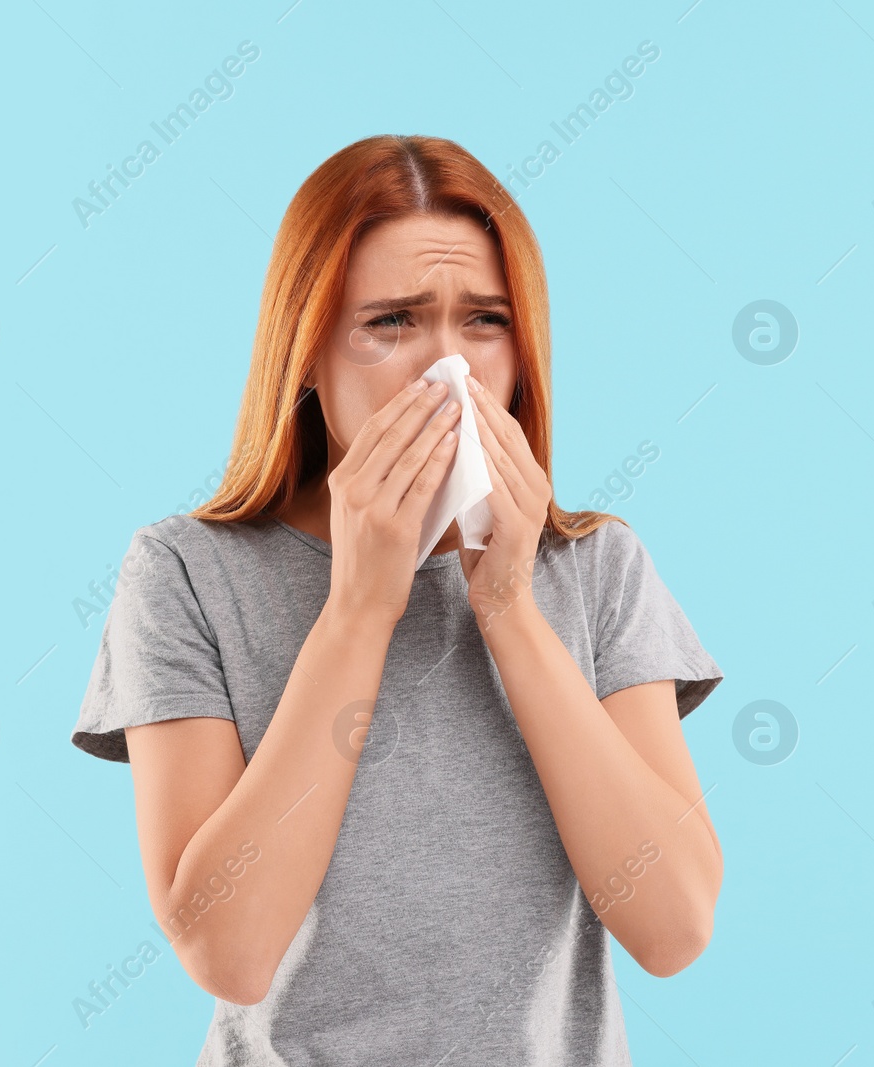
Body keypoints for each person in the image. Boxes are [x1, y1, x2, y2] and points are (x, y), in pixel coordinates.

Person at [70, 133, 725, 1066]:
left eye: (484, 321)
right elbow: (229, 950)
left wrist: (508, 608)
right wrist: (357, 611)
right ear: (306, 351)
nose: (445, 372)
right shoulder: (184, 573)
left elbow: (674, 927)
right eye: (392, 322)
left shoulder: (596, 567)